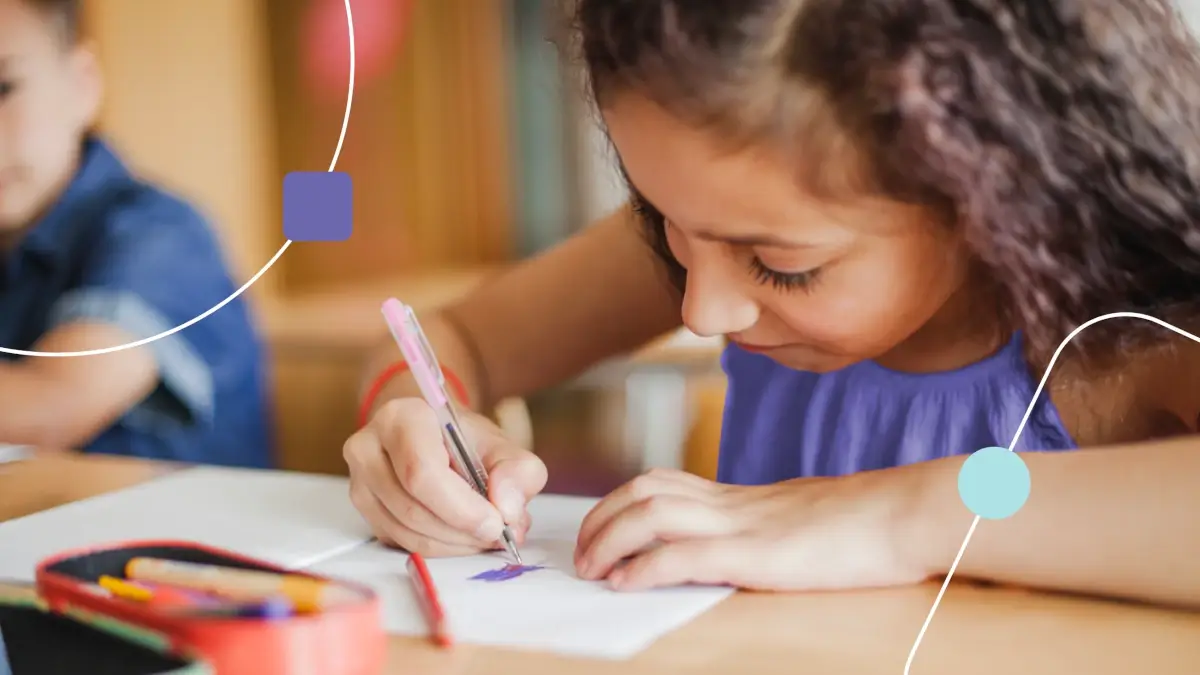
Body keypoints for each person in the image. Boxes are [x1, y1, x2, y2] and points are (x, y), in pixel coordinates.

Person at [344, 0, 1200, 609]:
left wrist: (906, 514)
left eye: (782, 267)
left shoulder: (1136, 326)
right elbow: (452, 339)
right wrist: (411, 420)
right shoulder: (723, 228)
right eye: (661, 218)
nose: (703, 311)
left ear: (993, 191)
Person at [0, 0, 272, 467]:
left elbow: (53, 406)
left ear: (82, 84)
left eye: (4, 87)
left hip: (193, 535)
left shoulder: (163, 233)